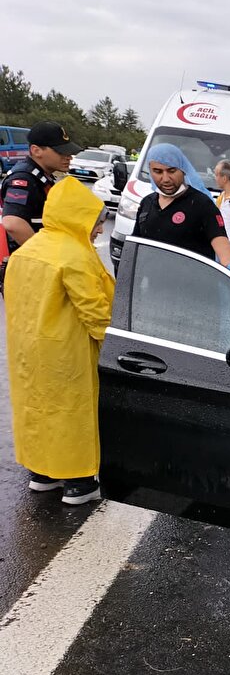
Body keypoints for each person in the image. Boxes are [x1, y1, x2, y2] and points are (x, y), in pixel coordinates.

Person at [4, 177, 114, 505]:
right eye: (96, 223)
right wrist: (113, 347)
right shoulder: (75, 256)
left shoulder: (29, 250)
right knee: (70, 413)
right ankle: (79, 483)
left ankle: (43, 473)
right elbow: (95, 312)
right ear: (78, 217)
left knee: (36, 408)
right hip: (67, 348)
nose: (98, 230)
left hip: (27, 349)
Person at [132, 143, 230, 276]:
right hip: (152, 287)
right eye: (158, 171)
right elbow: (136, 246)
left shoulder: (201, 204)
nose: (166, 179)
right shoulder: (147, 204)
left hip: (193, 289)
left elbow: (220, 242)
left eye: (172, 171)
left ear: (183, 169)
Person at [1, 120, 83, 251]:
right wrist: (44, 255)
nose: (69, 157)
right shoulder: (24, 179)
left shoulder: (41, 176)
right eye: (61, 152)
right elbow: (13, 223)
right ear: (36, 150)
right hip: (23, 263)